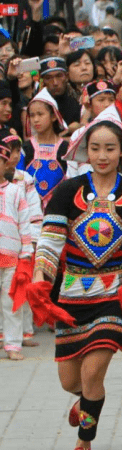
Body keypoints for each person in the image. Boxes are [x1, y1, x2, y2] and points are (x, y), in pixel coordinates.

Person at [33, 116, 122, 450]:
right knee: (70, 381)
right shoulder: (67, 192)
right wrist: (40, 277)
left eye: (110, 148)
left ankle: (84, 442)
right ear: (85, 151)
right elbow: (49, 243)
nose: (102, 155)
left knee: (93, 374)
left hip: (115, 295)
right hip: (71, 297)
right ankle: (86, 402)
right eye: (95, 148)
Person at [0, 133, 38, 360]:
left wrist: (27, 251)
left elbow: (25, 223)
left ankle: (13, 345)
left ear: (6, 164)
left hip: (12, 256)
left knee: (11, 300)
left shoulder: (16, 191)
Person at [20, 89, 69, 205]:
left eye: (40, 114)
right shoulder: (25, 148)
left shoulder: (66, 148)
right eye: (32, 115)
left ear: (53, 116)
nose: (36, 120)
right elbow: (19, 180)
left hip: (58, 206)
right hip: (30, 207)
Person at [39, 57, 82, 131]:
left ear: (67, 77)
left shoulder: (78, 102)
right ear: (42, 81)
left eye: (59, 76)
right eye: (48, 78)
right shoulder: (37, 105)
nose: (55, 83)